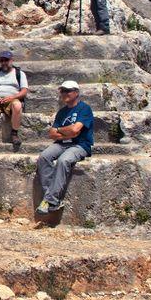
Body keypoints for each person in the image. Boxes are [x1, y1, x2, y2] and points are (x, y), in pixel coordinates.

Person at [36, 80, 94, 215]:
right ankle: (51, 199)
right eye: (62, 91)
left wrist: (61, 131)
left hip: (80, 145)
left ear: (76, 93)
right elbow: (52, 134)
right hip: (62, 144)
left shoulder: (84, 109)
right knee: (44, 157)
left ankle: (50, 200)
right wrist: (66, 132)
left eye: (67, 91)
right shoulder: (61, 112)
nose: (64, 94)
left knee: (63, 160)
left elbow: (76, 130)